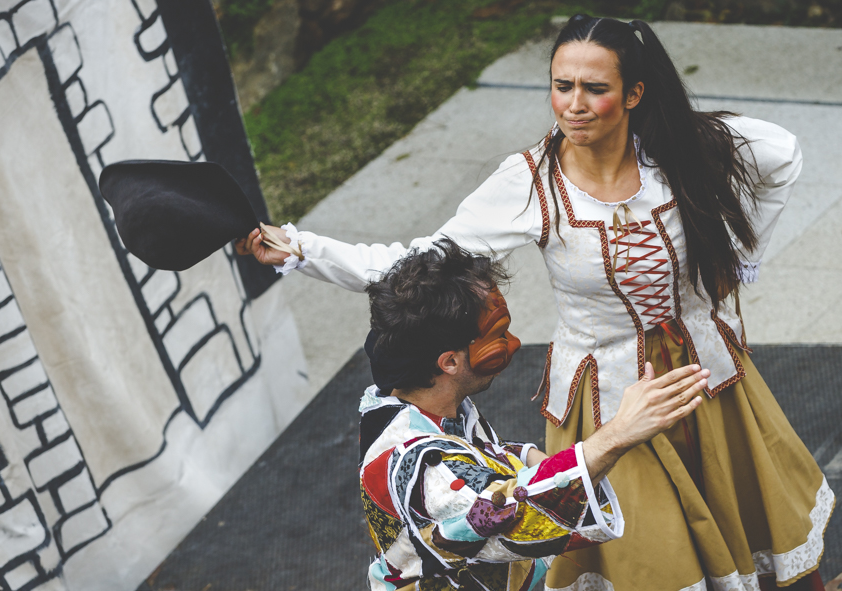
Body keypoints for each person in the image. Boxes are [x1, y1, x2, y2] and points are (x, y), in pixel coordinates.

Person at [239, 15, 833, 590]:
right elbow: (420, 263)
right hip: (607, 396)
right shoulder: (529, 182)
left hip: (705, 378)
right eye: (562, 85)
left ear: (634, 95)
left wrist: (733, 255)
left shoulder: (676, 153)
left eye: (595, 89)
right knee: (647, 555)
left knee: (747, 525)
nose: (573, 103)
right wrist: (301, 250)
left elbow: (780, 153)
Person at [357, 238, 708, 591]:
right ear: (449, 362)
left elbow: (475, 458)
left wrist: (523, 456)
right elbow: (508, 512)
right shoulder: (420, 466)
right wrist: (618, 435)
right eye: (498, 334)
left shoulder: (407, 400)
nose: (514, 343)